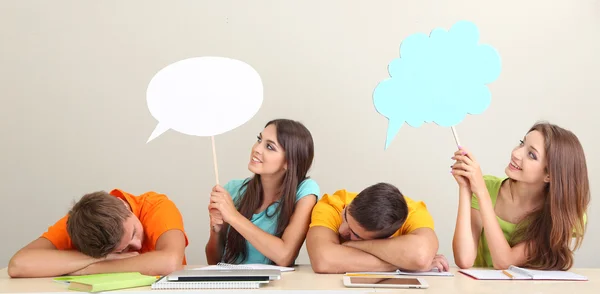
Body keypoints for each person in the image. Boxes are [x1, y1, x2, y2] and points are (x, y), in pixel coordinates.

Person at [451, 122, 590, 270]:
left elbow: (504, 261)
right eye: (521, 143)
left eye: (531, 155)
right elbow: (464, 259)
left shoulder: (564, 215)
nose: (516, 154)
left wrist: (481, 192)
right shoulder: (487, 188)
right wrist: (466, 188)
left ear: (549, 175)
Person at [205, 119, 320, 266]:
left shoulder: (305, 190)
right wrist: (217, 231)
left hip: (275, 288)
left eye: (270, 147)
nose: (257, 149)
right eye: (259, 139)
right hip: (234, 286)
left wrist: (233, 216)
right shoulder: (232, 189)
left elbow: (285, 256)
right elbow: (214, 262)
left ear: (289, 162)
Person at [8, 189, 188, 278]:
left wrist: (92, 269)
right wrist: (101, 258)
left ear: (123, 205)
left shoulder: (156, 206)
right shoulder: (80, 225)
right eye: (120, 251)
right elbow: (19, 265)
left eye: (133, 232)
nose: (138, 246)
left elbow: (171, 262)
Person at [306, 182, 447, 274]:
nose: (342, 230)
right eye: (345, 216)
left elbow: (420, 256)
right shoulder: (332, 204)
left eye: (355, 234)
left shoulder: (414, 212)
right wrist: (404, 263)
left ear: (386, 238)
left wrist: (348, 247)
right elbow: (323, 260)